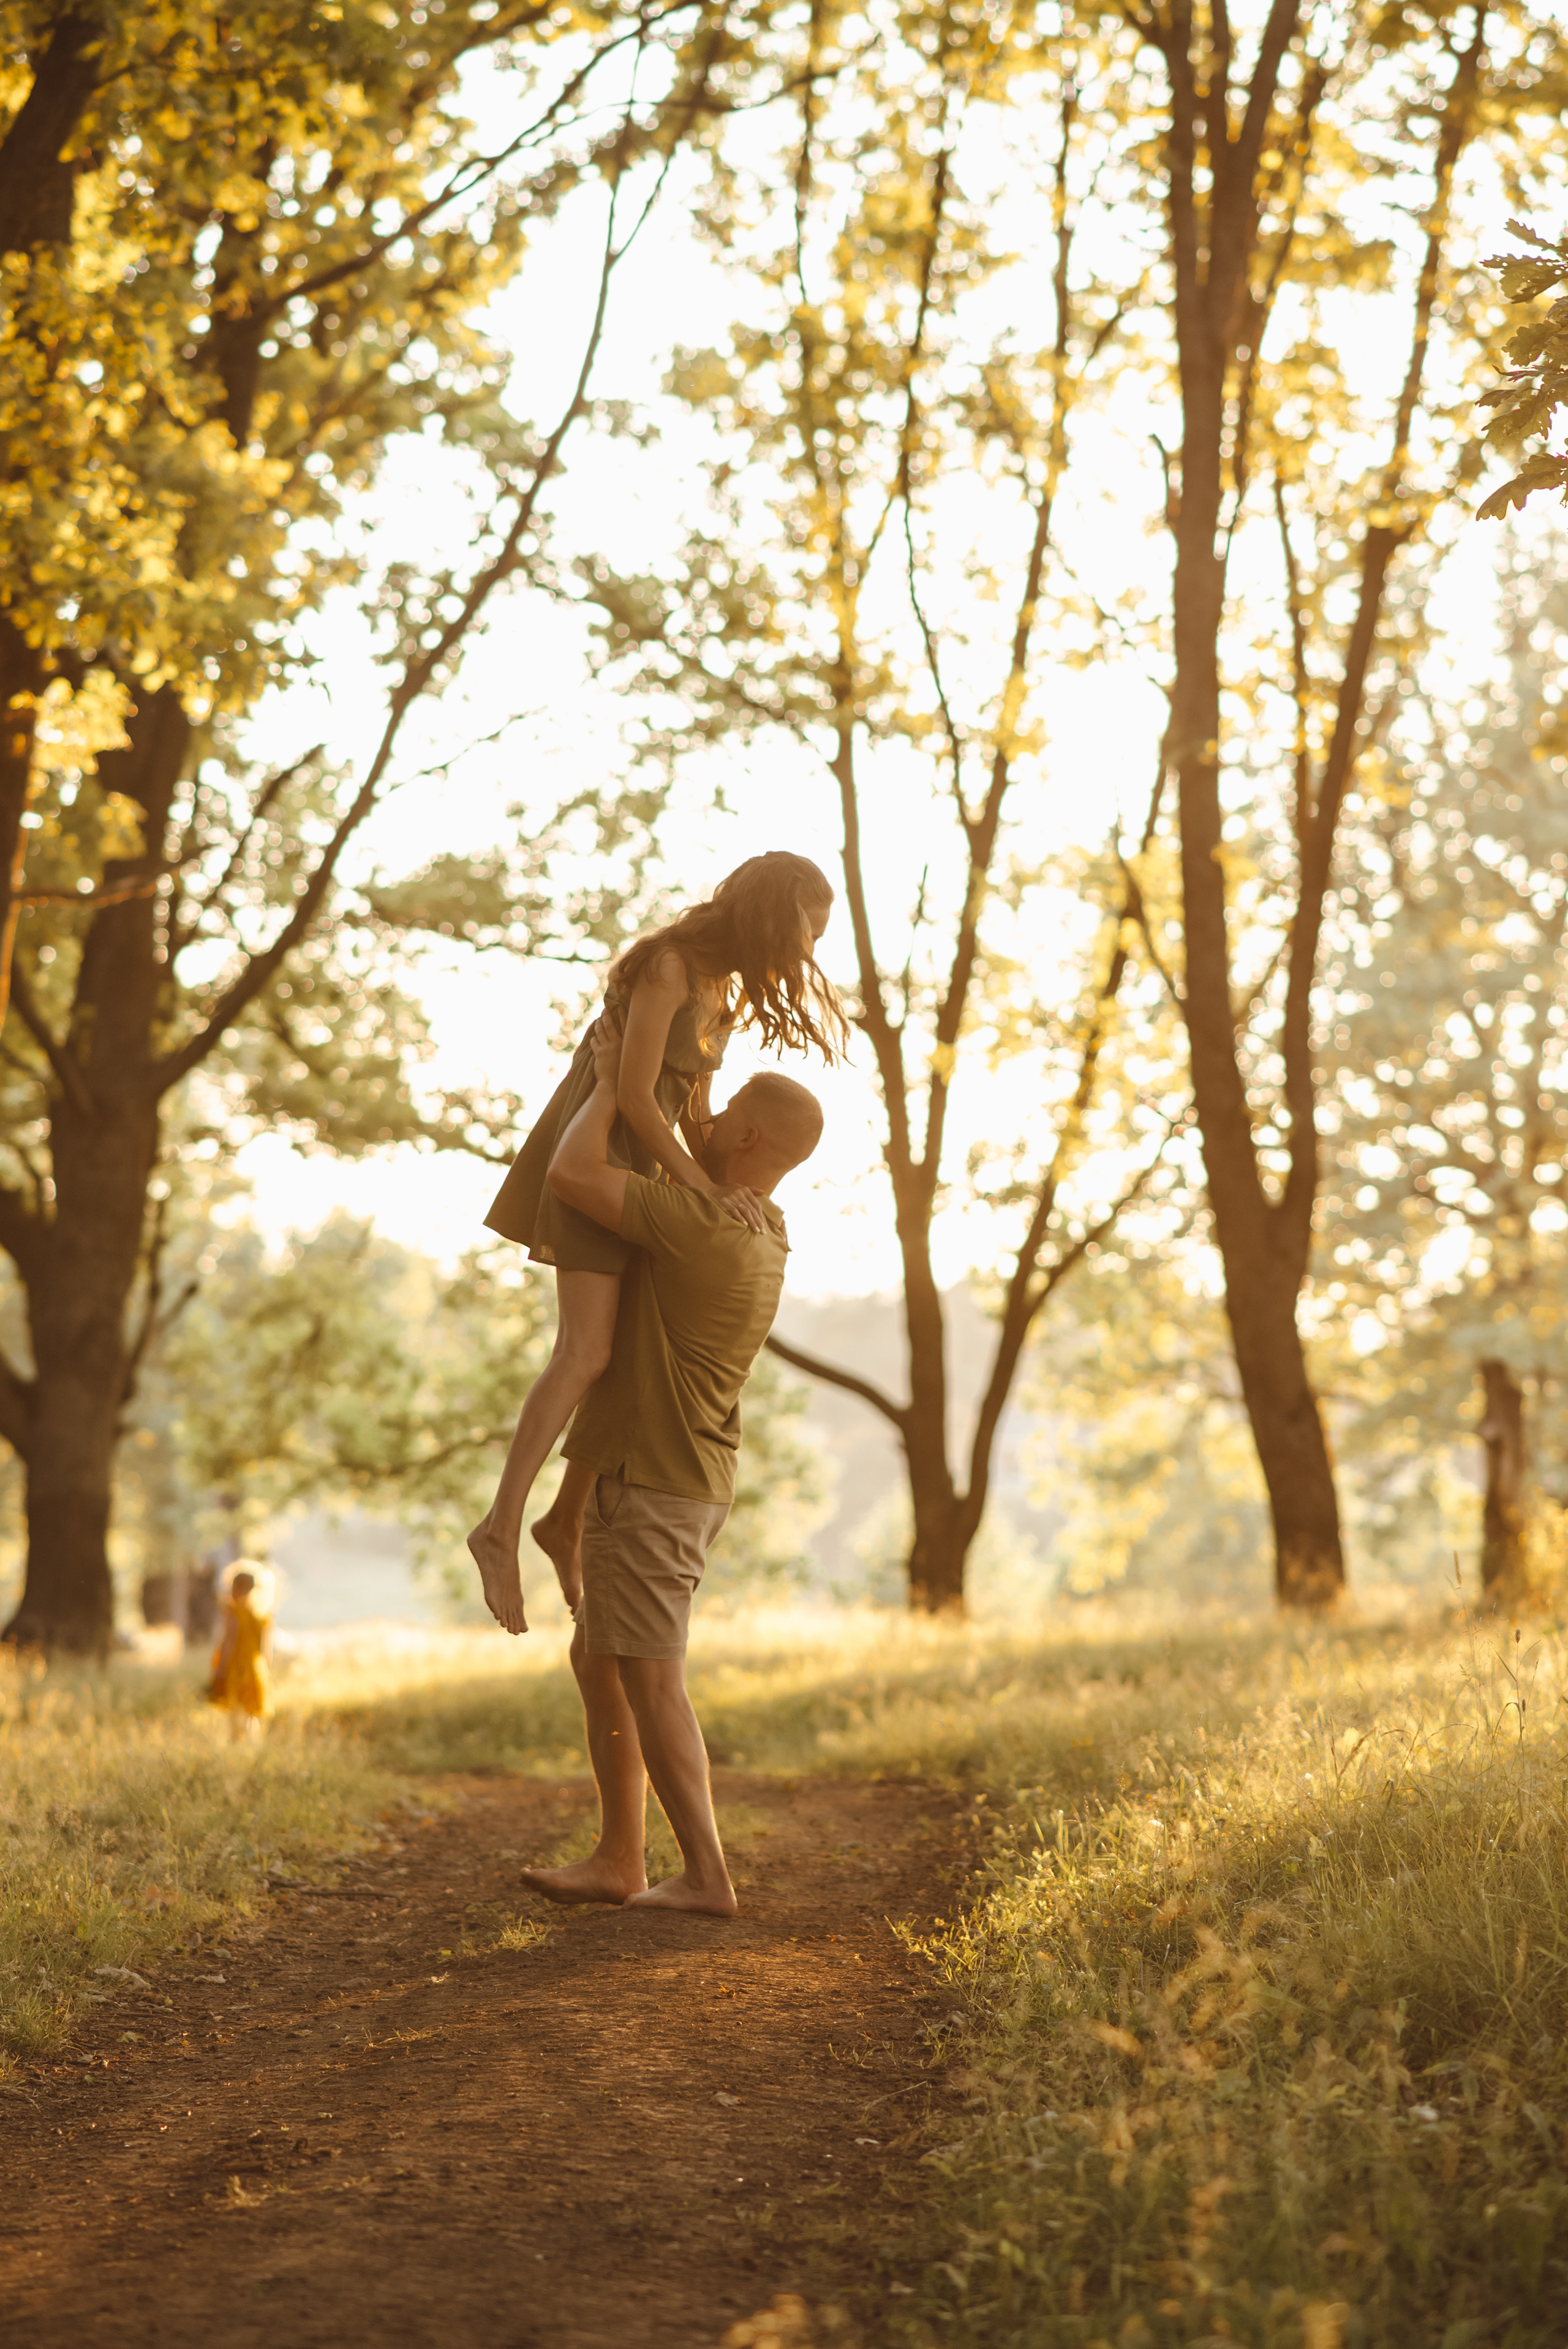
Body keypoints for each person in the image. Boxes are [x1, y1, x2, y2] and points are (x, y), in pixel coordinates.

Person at [468, 850, 843, 1635]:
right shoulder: (669, 968)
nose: (802, 955)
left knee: (625, 1347)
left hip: (651, 1168)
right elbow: (635, 1097)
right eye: (802, 934)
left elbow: (692, 1111)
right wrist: (704, 1191)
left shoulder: (723, 993)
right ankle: (501, 1527)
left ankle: (562, 1520)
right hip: (598, 1151)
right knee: (583, 1352)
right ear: (768, 916)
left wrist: (728, 1185)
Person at [516, 1012, 823, 1915]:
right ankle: (619, 1855)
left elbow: (573, 1175)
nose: (708, 1113)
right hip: (679, 1476)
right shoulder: (762, 1224)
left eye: (725, 1109)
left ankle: (706, 1876)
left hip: (656, 1483)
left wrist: (617, 1081)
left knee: (650, 1675)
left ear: (751, 1136)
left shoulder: (702, 1224)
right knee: (601, 1659)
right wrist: (683, 1092)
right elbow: (699, 1138)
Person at [208, 1563, 273, 1741]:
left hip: (236, 1667)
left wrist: (220, 1668)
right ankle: (252, 1742)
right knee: (251, 1711)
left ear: (236, 1588)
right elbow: (265, 1648)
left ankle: (236, 1742)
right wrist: (266, 1670)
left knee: (236, 1709)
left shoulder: (233, 1614)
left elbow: (228, 1643)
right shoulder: (261, 1615)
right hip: (255, 1668)